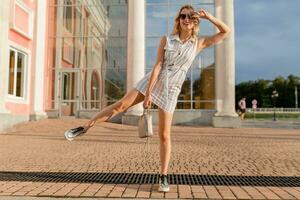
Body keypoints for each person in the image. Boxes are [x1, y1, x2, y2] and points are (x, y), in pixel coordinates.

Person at [64, 4, 231, 192]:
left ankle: (163, 176)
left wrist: (209, 17)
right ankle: (85, 127)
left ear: (194, 22)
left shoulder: (198, 43)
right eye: (183, 16)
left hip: (172, 89)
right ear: (178, 20)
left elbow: (226, 31)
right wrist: (149, 93)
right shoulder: (167, 40)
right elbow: (158, 66)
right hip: (154, 81)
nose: (186, 19)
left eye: (190, 17)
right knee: (121, 106)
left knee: (165, 135)